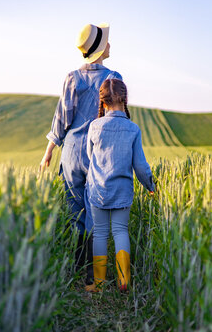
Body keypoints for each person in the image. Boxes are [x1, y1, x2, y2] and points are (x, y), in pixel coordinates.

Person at [40, 23, 122, 287]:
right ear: (99, 49)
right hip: (99, 154)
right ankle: (90, 275)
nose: (109, 44)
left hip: (72, 152)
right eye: (106, 42)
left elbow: (61, 118)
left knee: (74, 210)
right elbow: (116, 121)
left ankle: (75, 269)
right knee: (94, 212)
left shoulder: (72, 77)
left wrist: (49, 151)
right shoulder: (114, 78)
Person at [84, 79, 155, 293]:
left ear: (103, 103)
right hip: (123, 191)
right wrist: (150, 184)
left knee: (101, 234)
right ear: (125, 100)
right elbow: (140, 165)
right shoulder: (133, 129)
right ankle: (124, 281)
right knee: (120, 231)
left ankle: (98, 283)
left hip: (98, 190)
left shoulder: (94, 126)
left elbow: (90, 157)